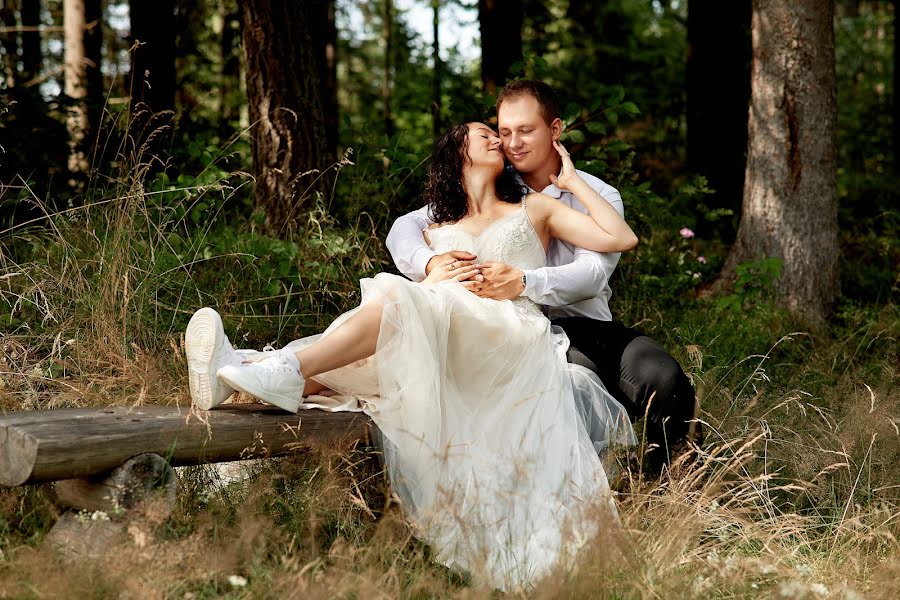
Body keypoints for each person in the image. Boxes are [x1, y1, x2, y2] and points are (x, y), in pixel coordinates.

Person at [185, 122, 637, 589]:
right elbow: (403, 239)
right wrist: (430, 269)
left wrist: (571, 182)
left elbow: (620, 238)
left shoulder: (534, 207)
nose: (498, 140)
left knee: (396, 300)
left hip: (506, 333)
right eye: (485, 133)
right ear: (456, 151)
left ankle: (269, 367)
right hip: (443, 330)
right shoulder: (433, 225)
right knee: (403, 307)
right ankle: (255, 373)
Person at [386, 80, 699, 469]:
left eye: (526, 130)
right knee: (569, 386)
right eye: (504, 132)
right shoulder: (492, 184)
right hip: (513, 332)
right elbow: (405, 226)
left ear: (555, 130)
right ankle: (586, 487)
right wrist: (428, 263)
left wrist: (525, 281)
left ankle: (662, 487)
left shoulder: (596, 194)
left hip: (585, 325)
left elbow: (592, 273)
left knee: (666, 379)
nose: (513, 143)